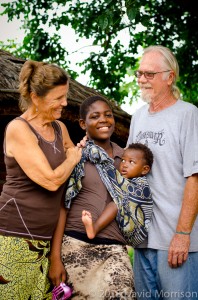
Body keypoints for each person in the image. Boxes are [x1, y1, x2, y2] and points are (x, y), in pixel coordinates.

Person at [0, 60, 82, 300]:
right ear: (35, 97)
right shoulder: (18, 129)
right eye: (58, 98)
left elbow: (62, 193)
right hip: (13, 237)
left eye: (65, 96)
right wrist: (72, 158)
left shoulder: (59, 129)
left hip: (45, 240)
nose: (65, 103)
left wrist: (55, 255)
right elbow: (51, 181)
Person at [127, 45, 198, 299]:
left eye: (150, 74)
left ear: (170, 77)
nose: (142, 79)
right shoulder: (138, 117)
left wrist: (182, 234)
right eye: (140, 73)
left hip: (176, 241)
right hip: (143, 239)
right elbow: (129, 169)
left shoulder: (188, 115)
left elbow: (195, 176)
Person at [49, 95, 136, 300]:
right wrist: (55, 257)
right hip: (75, 247)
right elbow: (62, 206)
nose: (104, 120)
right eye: (95, 116)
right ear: (83, 123)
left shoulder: (126, 159)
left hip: (114, 248)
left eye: (108, 115)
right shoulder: (75, 157)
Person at [82, 142, 153, 240]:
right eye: (123, 160)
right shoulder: (127, 182)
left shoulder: (141, 186)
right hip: (127, 229)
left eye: (131, 162)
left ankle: (94, 229)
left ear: (144, 170)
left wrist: (98, 155)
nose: (124, 165)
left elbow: (114, 177)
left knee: (115, 204)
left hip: (138, 230)